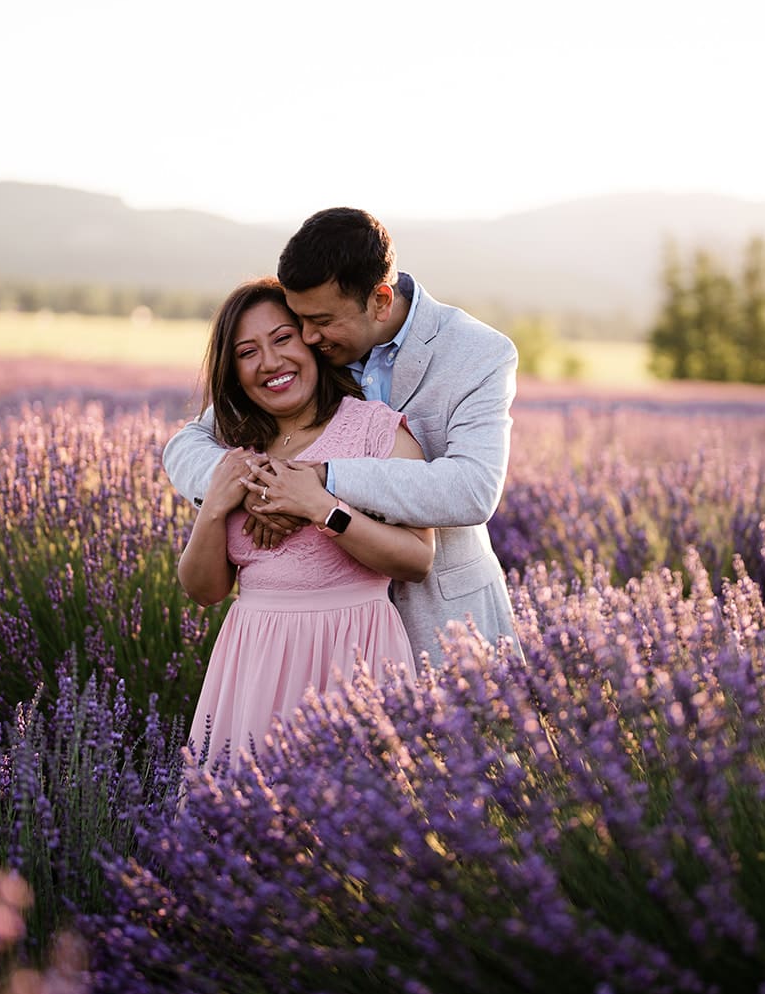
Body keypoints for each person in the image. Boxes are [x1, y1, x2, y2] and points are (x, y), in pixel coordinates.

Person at [164, 207, 517, 665]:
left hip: (443, 623)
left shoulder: (477, 353)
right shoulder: (311, 350)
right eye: (300, 321)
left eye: (322, 321)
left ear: (380, 301)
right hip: (323, 643)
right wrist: (256, 485)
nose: (308, 336)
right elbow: (189, 443)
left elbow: (473, 489)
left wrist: (321, 481)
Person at [176, 277, 434, 763]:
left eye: (282, 338)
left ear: (312, 341)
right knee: (246, 803)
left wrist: (321, 507)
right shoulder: (233, 450)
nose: (270, 362)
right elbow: (204, 591)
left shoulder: (375, 429)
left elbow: (418, 560)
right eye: (247, 352)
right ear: (233, 370)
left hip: (354, 654)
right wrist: (215, 506)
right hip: (253, 660)